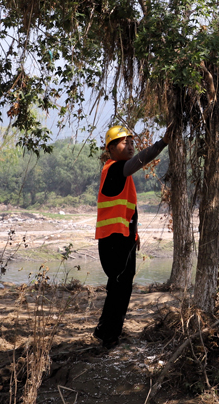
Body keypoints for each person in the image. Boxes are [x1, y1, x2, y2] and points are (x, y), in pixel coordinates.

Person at [94, 124, 171, 349]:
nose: (129, 145)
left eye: (131, 141)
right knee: (119, 287)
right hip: (113, 240)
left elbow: (126, 210)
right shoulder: (115, 169)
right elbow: (139, 161)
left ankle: (107, 331)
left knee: (121, 286)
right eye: (123, 142)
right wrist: (162, 143)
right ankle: (108, 336)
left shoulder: (119, 172)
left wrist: (134, 236)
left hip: (122, 239)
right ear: (110, 149)